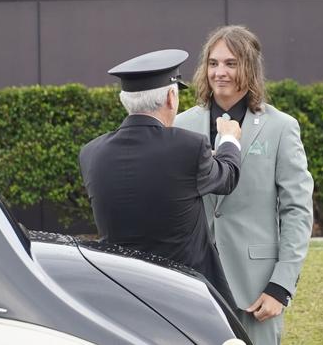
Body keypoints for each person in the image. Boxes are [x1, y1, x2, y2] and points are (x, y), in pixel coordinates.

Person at [174, 26, 314, 344]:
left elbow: (297, 211)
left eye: (230, 63)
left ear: (249, 68)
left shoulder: (281, 128)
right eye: (213, 63)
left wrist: (280, 286)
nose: (219, 72)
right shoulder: (181, 126)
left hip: (256, 292)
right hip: (192, 286)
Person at [79, 49, 242, 305]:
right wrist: (230, 138)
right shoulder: (189, 147)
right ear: (170, 97)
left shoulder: (91, 153)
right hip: (184, 293)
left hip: (123, 290)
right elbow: (227, 177)